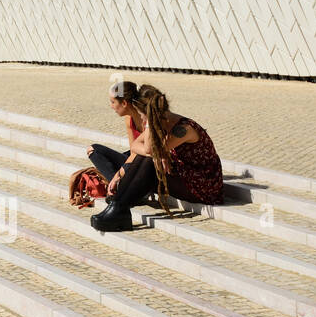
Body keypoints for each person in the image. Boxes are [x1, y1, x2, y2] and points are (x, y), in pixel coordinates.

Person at [91, 84, 224, 232]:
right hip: (183, 174)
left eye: (142, 116)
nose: (141, 120)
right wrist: (156, 155)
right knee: (149, 158)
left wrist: (150, 128)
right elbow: (135, 146)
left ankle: (119, 208)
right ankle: (118, 206)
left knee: (149, 160)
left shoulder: (184, 128)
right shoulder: (163, 122)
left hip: (203, 185)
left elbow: (148, 148)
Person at [86, 80, 145, 182]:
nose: (111, 106)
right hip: (137, 157)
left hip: (146, 162)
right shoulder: (128, 119)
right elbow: (133, 150)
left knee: (94, 149)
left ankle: (116, 184)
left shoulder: (146, 118)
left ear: (124, 103)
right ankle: (116, 182)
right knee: (98, 155)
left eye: (113, 102)